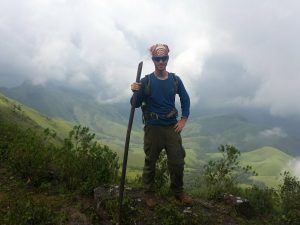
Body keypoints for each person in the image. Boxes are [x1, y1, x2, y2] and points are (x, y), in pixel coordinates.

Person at [130, 43, 193, 208]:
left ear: (167, 59)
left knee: (177, 162)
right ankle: (149, 193)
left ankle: (178, 192)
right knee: (150, 162)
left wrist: (183, 119)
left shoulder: (174, 80)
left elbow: (185, 99)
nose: (161, 61)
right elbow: (135, 104)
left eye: (163, 58)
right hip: (153, 127)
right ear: (153, 60)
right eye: (157, 58)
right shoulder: (146, 81)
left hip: (172, 127)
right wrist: (135, 90)